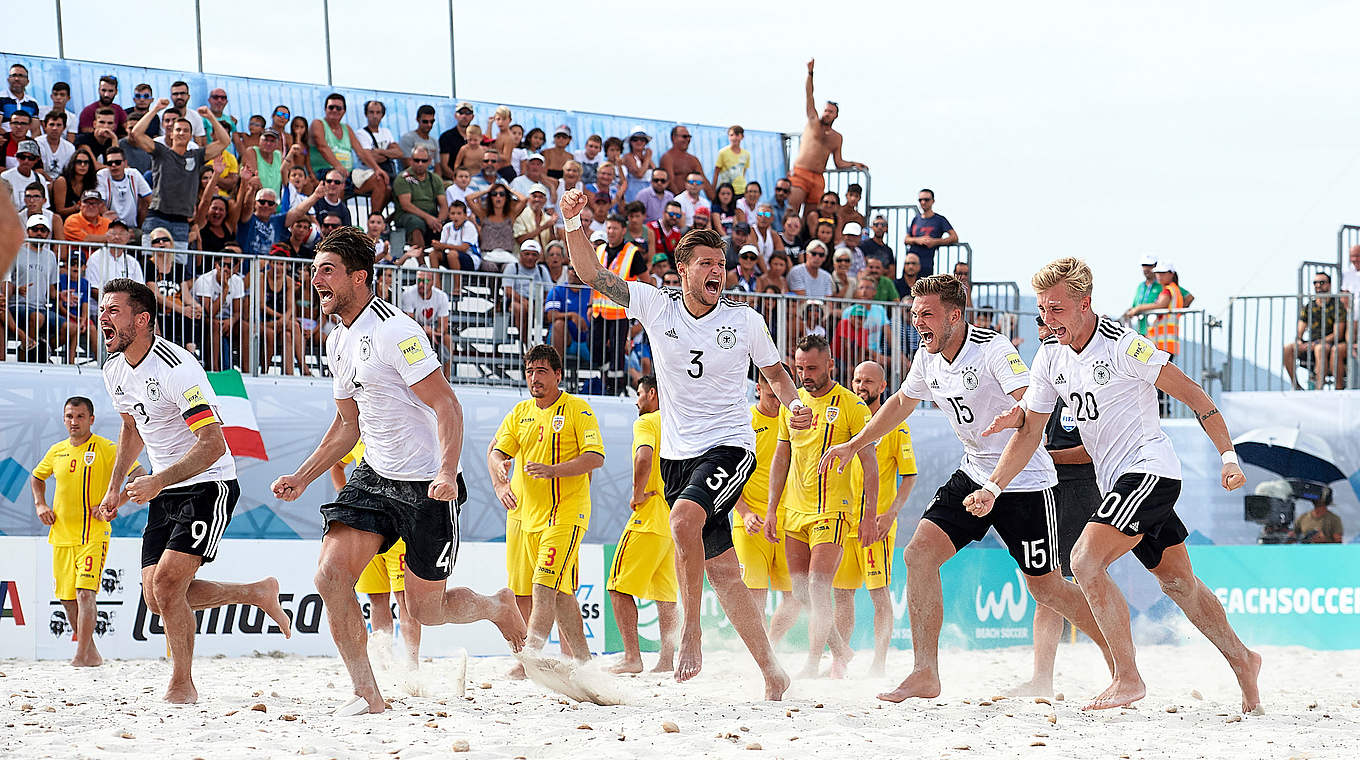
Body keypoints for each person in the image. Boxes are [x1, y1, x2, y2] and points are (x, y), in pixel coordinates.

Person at [968, 257, 1261, 713]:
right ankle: (1244, 660)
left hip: (1150, 471)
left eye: (1057, 309)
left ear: (1085, 304)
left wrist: (1227, 457)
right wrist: (993, 486)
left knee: (1084, 560)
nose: (1048, 319)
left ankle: (1127, 678)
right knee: (1179, 584)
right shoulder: (1049, 355)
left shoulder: (1124, 345)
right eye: (1042, 309)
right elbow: (1029, 432)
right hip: (1118, 482)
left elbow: (1196, 397)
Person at [819, 274, 1112, 704]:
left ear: (955, 315)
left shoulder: (993, 348)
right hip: (973, 474)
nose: (918, 322)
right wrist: (854, 443)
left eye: (927, 314)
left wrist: (1015, 415)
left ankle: (1117, 653)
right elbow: (901, 402)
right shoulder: (927, 356)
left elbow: (1030, 401)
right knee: (918, 554)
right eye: (915, 314)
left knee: (1047, 589)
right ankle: (925, 672)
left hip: (1023, 483)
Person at [563, 186, 808, 699]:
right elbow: (592, 275)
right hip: (677, 456)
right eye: (706, 264)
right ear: (683, 270)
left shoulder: (744, 320)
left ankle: (688, 631)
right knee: (724, 573)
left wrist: (793, 405)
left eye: (722, 264)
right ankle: (772, 669)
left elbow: (777, 374)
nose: (718, 271)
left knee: (681, 521)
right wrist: (572, 223)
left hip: (730, 445)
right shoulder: (657, 306)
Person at [269, 227, 525, 715]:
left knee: (426, 609)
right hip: (374, 477)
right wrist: (303, 476)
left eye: (327, 271)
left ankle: (497, 606)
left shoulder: (396, 331)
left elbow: (447, 405)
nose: (315, 280)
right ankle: (367, 694)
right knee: (330, 576)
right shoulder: (337, 340)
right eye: (315, 270)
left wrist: (446, 472)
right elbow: (348, 425)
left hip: (428, 485)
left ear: (359, 277)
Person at [94, 279, 290, 703]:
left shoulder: (177, 368)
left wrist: (156, 480)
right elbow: (131, 428)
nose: (102, 317)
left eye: (113, 310)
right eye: (102, 309)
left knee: (167, 586)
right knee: (156, 597)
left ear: (141, 320)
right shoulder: (113, 368)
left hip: (208, 484)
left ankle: (182, 683)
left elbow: (214, 444)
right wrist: (114, 488)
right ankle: (255, 592)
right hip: (164, 487)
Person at [767, 334, 875, 680]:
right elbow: (781, 456)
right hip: (794, 510)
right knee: (800, 590)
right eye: (799, 368)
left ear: (830, 364)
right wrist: (771, 509)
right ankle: (841, 648)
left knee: (817, 586)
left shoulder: (851, 405)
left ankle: (814, 662)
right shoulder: (792, 404)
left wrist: (869, 515)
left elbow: (869, 465)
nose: (805, 375)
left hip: (833, 510)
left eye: (812, 368)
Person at [1006, 315, 1103, 698]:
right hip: (1049, 487)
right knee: (1050, 583)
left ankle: (1120, 665)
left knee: (1080, 577)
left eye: (1051, 330)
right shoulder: (1043, 381)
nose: (1046, 338)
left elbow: (1091, 451)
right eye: (1042, 332)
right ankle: (1042, 677)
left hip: (1080, 489)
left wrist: (1042, 455)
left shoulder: (1087, 378)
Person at [488, 345, 602, 665]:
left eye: (541, 371)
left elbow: (595, 457)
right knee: (554, 592)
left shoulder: (578, 409)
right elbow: (496, 451)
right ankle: (583, 662)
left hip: (566, 513)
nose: (534, 378)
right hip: (527, 517)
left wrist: (554, 471)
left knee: (543, 585)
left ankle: (531, 658)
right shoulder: (520, 412)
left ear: (558, 375)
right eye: (529, 372)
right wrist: (499, 479)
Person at [31, 396, 142, 667]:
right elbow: (37, 477)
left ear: (91, 419)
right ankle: (91, 654)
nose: (74, 421)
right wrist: (40, 504)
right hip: (61, 535)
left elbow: (139, 475)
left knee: (84, 593)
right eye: (69, 416)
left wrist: (114, 502)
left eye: (80, 416)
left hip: (93, 535)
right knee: (68, 599)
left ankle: (80, 656)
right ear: (63, 418)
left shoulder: (106, 448)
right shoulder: (57, 451)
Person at [831, 360, 916, 677]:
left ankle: (879, 662)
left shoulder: (896, 426)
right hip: (844, 522)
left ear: (883, 386)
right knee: (842, 595)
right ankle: (839, 662)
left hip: (876, 525)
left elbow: (909, 476)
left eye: (867, 381)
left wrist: (890, 514)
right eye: (856, 380)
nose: (860, 386)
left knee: (879, 594)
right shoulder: (846, 421)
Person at [605, 375, 680, 674]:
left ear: (652, 393)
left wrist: (637, 493)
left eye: (639, 394)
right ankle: (666, 660)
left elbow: (643, 458)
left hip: (649, 514)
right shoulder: (677, 423)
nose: (636, 400)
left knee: (616, 586)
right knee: (666, 594)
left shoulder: (647, 422)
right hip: (673, 516)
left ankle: (631, 657)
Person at [329, 440, 422, 667]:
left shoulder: (397, 434)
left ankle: (412, 664)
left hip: (399, 530)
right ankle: (384, 662)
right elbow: (336, 465)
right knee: (377, 598)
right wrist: (346, 498)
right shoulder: (356, 436)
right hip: (365, 528)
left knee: (404, 599)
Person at [730, 371, 794, 625]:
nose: (777, 402)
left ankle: (770, 643)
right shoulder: (744, 423)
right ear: (758, 389)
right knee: (754, 599)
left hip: (788, 522)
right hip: (752, 523)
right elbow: (728, 475)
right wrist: (745, 513)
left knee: (796, 598)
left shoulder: (796, 421)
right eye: (771, 395)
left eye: (781, 396)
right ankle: (758, 648)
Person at [128, 99, 231, 247]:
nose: (182, 133)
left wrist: (210, 116)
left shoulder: (196, 156)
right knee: (150, 259)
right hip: (157, 216)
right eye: (178, 130)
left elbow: (225, 141)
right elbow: (136, 133)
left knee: (178, 262)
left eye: (186, 130)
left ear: (191, 136)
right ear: (171, 134)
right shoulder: (161, 152)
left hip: (182, 221)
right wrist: (155, 109)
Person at [787, 59, 868, 220]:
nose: (827, 114)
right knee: (792, 211)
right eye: (826, 110)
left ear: (836, 115)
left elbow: (838, 162)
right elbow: (809, 96)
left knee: (812, 216)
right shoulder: (813, 123)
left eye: (831, 112)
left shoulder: (836, 137)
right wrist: (810, 73)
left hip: (818, 177)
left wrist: (854, 163)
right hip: (801, 172)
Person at [1282, 270, 1346, 390]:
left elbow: (1338, 333)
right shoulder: (1309, 306)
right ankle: (1296, 386)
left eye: (1322, 282)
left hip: (1328, 344)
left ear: (1329, 285)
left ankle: (1318, 389)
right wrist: (1299, 340)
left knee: (1320, 348)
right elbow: (1300, 328)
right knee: (1287, 348)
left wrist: (1316, 343)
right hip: (1311, 343)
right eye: (1315, 283)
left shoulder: (1337, 306)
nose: (1318, 285)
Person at [903, 189, 957, 277]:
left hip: (926, 262)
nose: (923, 202)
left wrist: (935, 242)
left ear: (933, 201)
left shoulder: (939, 220)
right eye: (920, 200)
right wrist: (918, 240)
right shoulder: (916, 219)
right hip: (911, 262)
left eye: (926, 200)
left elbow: (954, 237)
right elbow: (906, 239)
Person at [1122, 254, 1162, 336]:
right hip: (1139, 332)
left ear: (1156, 266)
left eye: (1149, 265)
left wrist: (1140, 308)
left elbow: (1187, 296)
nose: (1146, 268)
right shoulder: (1140, 286)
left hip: (1156, 333)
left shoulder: (1162, 285)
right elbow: (1134, 306)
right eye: (1144, 265)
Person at [712, 125, 752, 195]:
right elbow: (716, 172)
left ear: (742, 136)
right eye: (731, 135)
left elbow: (743, 172)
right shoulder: (723, 152)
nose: (734, 138)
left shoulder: (746, 154)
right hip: (726, 191)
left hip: (741, 190)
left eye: (737, 135)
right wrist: (713, 190)